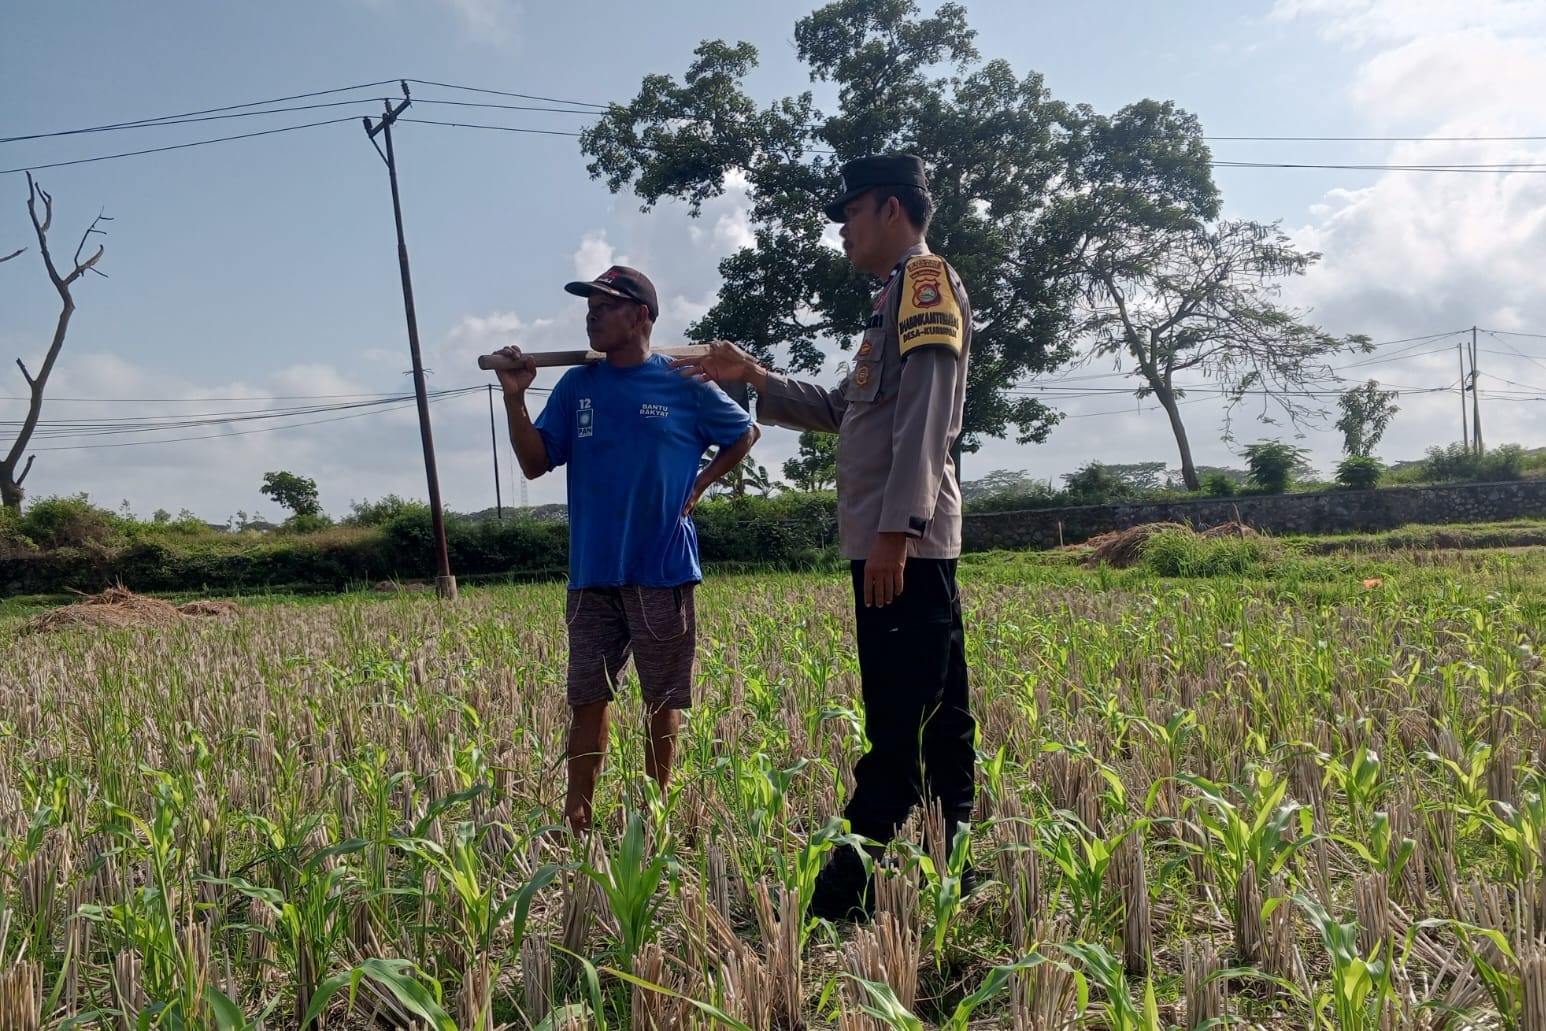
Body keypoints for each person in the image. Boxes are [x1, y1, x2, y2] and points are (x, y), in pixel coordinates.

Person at [675, 155, 977, 921]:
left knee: (897, 736)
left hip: (901, 548)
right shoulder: (889, 302)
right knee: (942, 723)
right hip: (903, 545)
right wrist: (751, 374)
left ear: (891, 209)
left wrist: (895, 532)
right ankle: (959, 871)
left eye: (849, 212)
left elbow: (928, 419)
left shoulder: (925, 283)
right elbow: (849, 408)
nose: (841, 228)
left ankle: (834, 902)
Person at [495, 265, 759, 834]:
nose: (592, 313)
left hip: (661, 567)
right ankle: (577, 821)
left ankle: (651, 819)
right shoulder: (577, 387)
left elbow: (743, 432)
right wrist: (516, 400)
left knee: (660, 700)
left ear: (640, 315)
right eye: (588, 304)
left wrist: (701, 482)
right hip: (592, 571)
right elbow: (536, 462)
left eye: (606, 304)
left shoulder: (683, 381)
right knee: (588, 698)